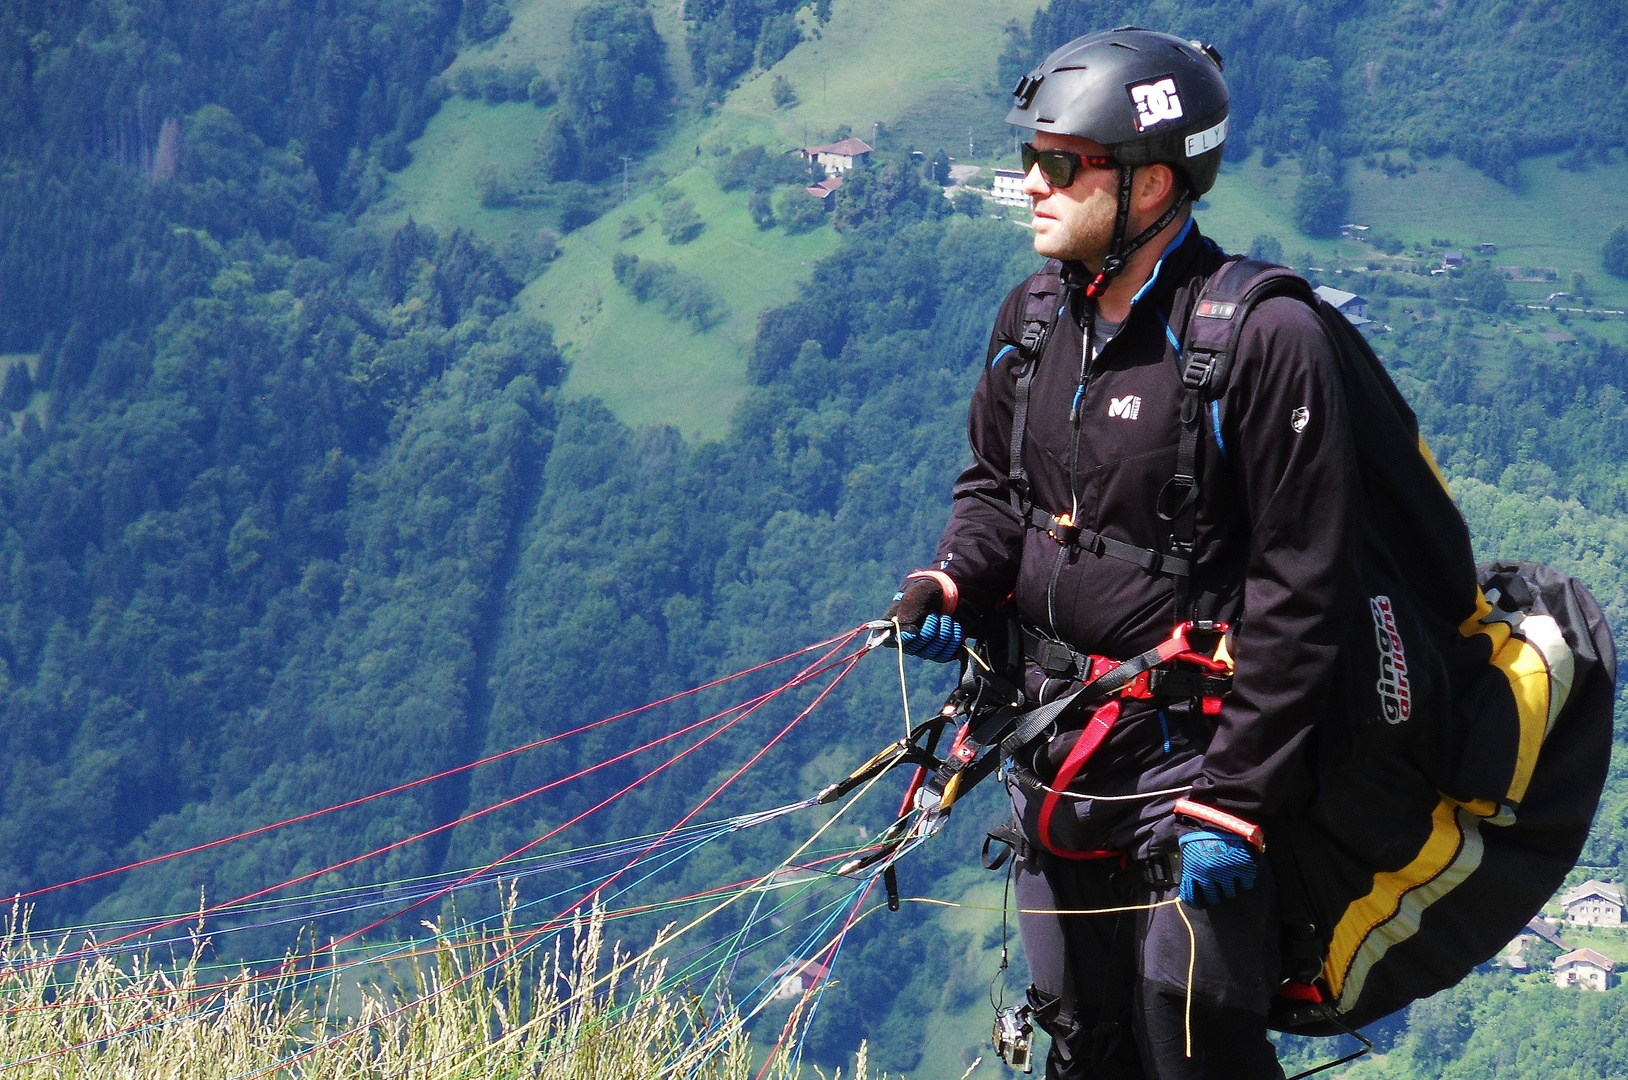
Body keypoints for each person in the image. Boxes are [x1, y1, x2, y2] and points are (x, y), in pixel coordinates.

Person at [883, 27, 1362, 1080]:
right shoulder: (1036, 315)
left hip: (1192, 769)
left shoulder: (1261, 341)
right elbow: (996, 490)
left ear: (1151, 184)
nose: (1030, 187)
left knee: (1185, 1043)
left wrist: (1231, 803)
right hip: (1056, 756)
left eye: (1059, 165)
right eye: (1028, 161)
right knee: (1079, 1041)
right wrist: (953, 578)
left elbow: (1304, 588)